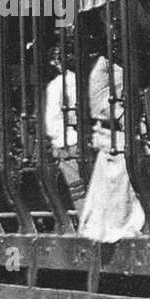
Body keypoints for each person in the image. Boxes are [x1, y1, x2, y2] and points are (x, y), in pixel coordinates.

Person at [77, 22, 145, 242]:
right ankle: (111, 227)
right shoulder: (102, 67)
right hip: (111, 133)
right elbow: (98, 103)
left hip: (128, 131)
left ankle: (130, 223)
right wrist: (123, 115)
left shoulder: (125, 65)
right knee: (116, 180)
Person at [43, 42, 85, 202]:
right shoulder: (84, 79)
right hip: (88, 139)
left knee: (78, 191)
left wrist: (60, 145)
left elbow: (52, 123)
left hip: (68, 143)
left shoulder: (55, 86)